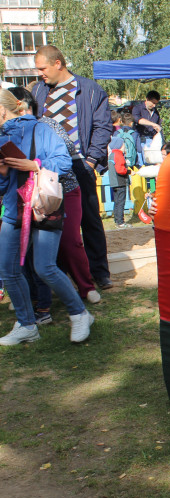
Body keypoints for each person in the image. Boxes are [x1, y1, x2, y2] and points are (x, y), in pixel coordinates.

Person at [0, 88, 94, 345]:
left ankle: (80, 314)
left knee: (45, 268)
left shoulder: (41, 128)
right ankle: (27, 325)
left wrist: (35, 165)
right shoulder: (1, 138)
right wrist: (3, 173)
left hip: (43, 206)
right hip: (14, 210)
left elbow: (64, 162)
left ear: (3, 109)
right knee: (8, 270)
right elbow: (2, 187)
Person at [31, 45, 114, 290]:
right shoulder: (38, 90)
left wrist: (91, 160)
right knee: (50, 219)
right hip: (48, 167)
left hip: (80, 163)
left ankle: (99, 272)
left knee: (90, 219)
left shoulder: (89, 89)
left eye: (43, 68)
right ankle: (59, 273)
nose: (40, 74)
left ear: (58, 63)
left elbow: (103, 127)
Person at [107, 137, 130, 228]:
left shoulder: (111, 154)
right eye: (123, 145)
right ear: (119, 145)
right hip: (120, 181)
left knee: (116, 202)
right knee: (121, 202)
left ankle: (117, 220)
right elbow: (120, 170)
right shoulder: (118, 154)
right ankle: (121, 222)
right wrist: (128, 171)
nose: (124, 147)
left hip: (114, 182)